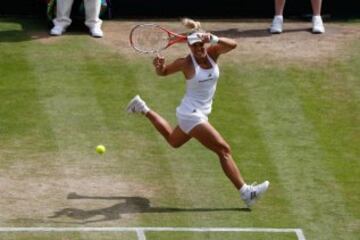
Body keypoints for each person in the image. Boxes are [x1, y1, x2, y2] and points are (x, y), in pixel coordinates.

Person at [126, 29, 270, 208]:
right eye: (195, 46)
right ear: (190, 47)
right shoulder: (186, 63)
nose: (199, 48)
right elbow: (163, 73)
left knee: (173, 140)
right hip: (191, 114)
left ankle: (142, 107)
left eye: (201, 44)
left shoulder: (213, 53)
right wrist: (159, 66)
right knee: (223, 149)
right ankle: (246, 192)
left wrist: (214, 38)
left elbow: (233, 45)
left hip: (199, 113)